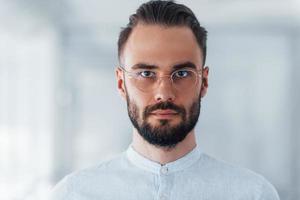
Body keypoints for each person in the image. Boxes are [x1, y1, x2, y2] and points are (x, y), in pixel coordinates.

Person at [51, 1, 280, 199]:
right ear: (121, 83)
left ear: (204, 82)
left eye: (181, 74)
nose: (164, 93)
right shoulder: (73, 194)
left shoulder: (254, 194)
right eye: (146, 74)